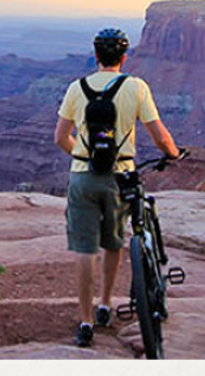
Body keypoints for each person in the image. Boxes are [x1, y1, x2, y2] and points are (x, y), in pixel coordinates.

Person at [55, 28, 181, 348]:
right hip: (120, 177)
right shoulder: (136, 88)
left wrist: (84, 157)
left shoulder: (76, 88)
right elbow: (159, 135)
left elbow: (60, 137)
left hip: (83, 177)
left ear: (95, 56)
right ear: (124, 57)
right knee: (113, 243)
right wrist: (174, 154)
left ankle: (85, 322)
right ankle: (105, 304)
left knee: (85, 250)